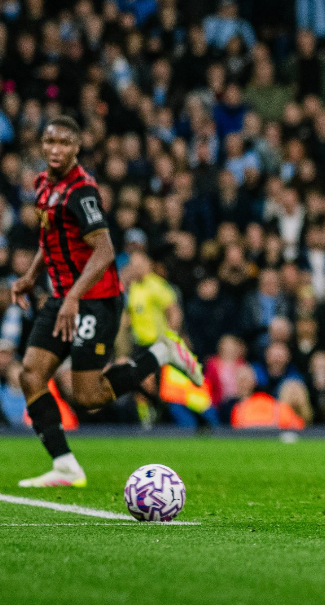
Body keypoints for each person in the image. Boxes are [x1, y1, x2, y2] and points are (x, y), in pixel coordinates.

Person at [14, 117, 204, 488]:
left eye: (64, 143)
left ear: (77, 148)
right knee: (31, 374)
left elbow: (104, 251)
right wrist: (32, 276)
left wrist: (73, 297)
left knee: (89, 396)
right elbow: (49, 237)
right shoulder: (42, 185)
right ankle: (65, 464)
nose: (55, 149)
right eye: (49, 141)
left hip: (94, 300)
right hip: (63, 297)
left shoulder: (81, 192)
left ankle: (162, 353)